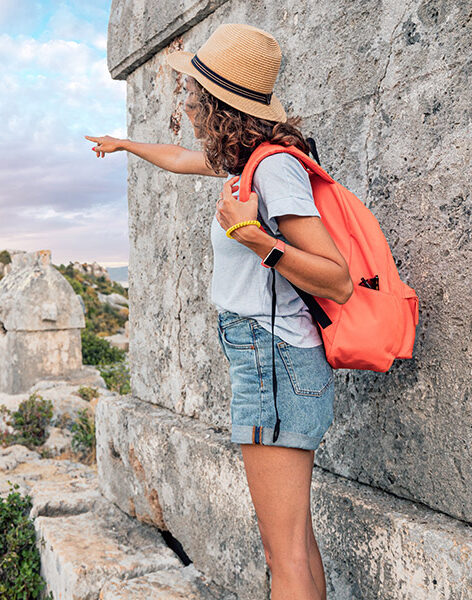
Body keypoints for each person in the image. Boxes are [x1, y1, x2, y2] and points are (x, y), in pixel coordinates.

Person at [86, 23, 352, 600]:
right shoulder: (248, 162)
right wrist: (126, 144)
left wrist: (257, 239)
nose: (183, 99)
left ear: (217, 101)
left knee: (283, 559)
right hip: (270, 357)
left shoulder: (273, 169)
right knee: (296, 547)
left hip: (273, 359)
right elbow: (183, 158)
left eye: (190, 92)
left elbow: (338, 278)